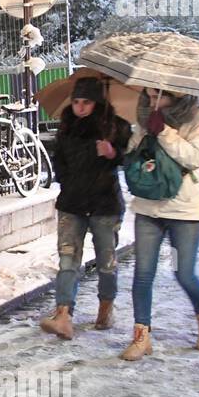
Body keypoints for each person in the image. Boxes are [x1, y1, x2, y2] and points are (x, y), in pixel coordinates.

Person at [121, 87, 199, 361]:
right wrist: (134, 140)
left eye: (159, 96)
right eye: (149, 96)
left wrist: (164, 131)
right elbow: (134, 155)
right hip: (148, 209)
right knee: (142, 274)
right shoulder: (146, 117)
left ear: (177, 96)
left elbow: (196, 157)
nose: (153, 102)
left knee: (182, 273)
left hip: (184, 213)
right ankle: (141, 336)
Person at [40, 77, 133, 340]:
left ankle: (105, 308)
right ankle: (63, 314)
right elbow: (59, 163)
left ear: (98, 102)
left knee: (106, 262)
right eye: (77, 101)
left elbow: (131, 159)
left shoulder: (116, 127)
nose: (80, 107)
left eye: (87, 102)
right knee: (68, 261)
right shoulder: (67, 127)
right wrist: (68, 181)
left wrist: (112, 153)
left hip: (105, 206)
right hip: (72, 204)